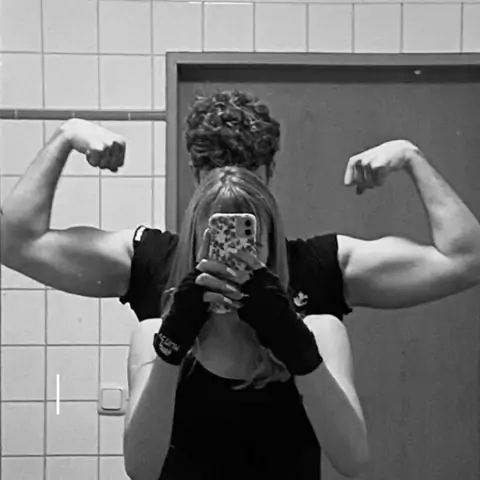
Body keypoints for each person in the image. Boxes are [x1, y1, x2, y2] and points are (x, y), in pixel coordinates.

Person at [1, 89, 480, 320]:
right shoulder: (149, 261)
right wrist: (65, 136)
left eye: (246, 171)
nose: (231, 186)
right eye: (216, 171)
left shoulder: (322, 267)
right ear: (196, 176)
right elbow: (15, 244)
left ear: (269, 173)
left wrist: (412, 158)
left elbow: (466, 261)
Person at [123, 166, 369, 479]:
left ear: (270, 248)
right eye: (215, 243)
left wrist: (294, 342)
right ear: (193, 246)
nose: (231, 258)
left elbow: (353, 460)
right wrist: (172, 344)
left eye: (248, 244)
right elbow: (140, 469)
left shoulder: (321, 332)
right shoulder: (153, 336)